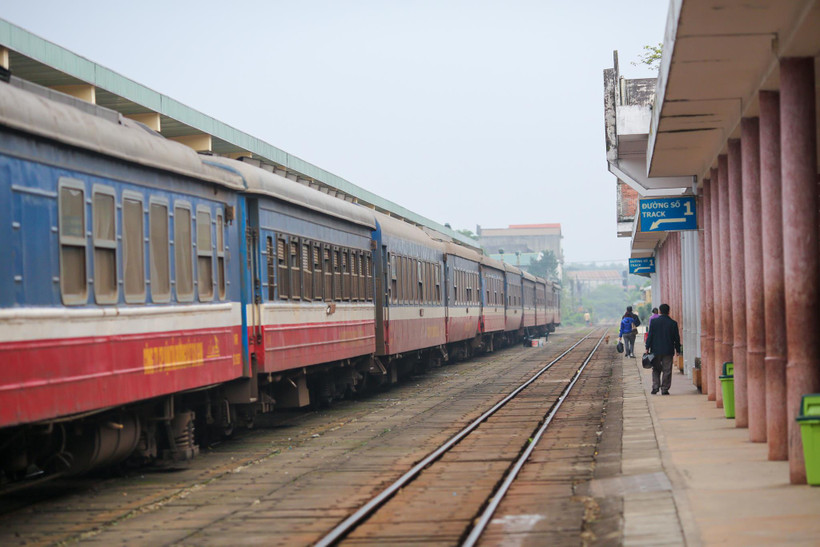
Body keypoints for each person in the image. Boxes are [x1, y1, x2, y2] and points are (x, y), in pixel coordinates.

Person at [645, 303, 681, 395]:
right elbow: (676, 338)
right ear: (669, 311)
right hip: (668, 350)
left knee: (656, 369)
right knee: (667, 369)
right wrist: (678, 350)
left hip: (655, 350)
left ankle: (655, 387)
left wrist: (647, 347)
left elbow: (650, 336)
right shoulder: (673, 323)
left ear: (660, 311)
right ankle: (664, 389)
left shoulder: (654, 322)